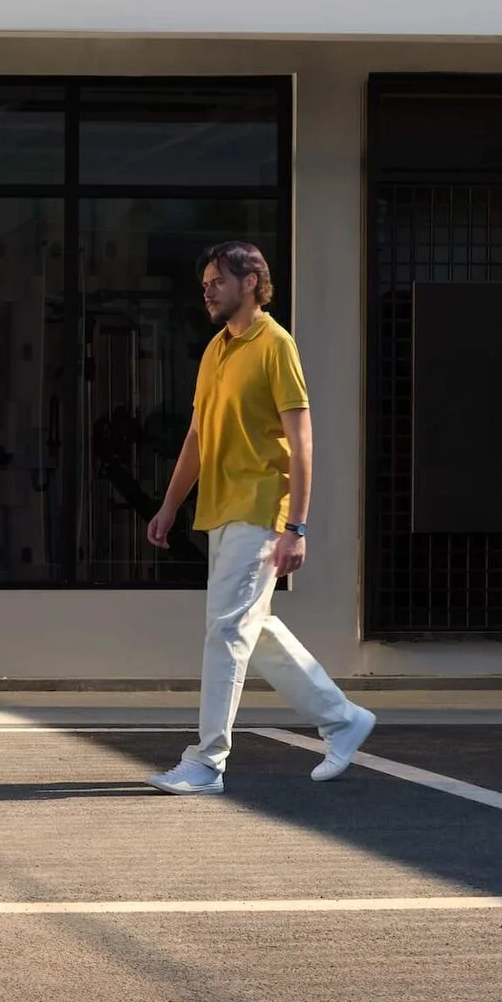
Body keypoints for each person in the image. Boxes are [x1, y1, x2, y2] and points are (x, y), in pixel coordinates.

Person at [141, 241, 375, 795]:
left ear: (250, 282)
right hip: (220, 509)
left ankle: (207, 761)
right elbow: (197, 437)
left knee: (225, 631)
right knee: (253, 629)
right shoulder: (216, 351)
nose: (207, 290)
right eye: (204, 283)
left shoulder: (276, 345)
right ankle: (343, 718)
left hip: (261, 508)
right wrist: (171, 505)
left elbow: (302, 439)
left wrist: (297, 526)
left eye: (216, 280)